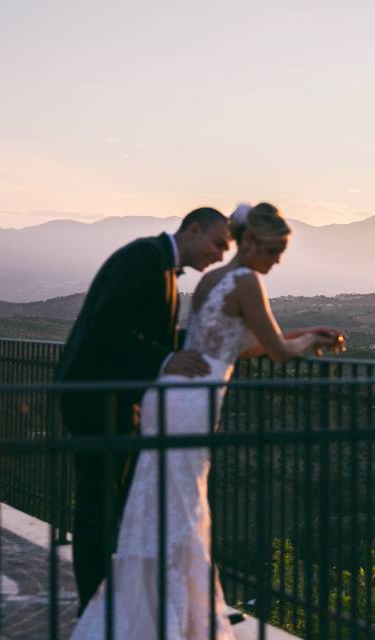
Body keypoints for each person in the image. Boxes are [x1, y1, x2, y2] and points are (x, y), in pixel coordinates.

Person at [70, 202, 346, 640]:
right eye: (274, 250)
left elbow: (227, 347)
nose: (277, 261)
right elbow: (273, 350)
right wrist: (310, 338)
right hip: (159, 400)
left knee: (155, 504)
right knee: (160, 507)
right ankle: (159, 617)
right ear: (248, 242)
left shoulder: (209, 281)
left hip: (166, 400)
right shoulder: (230, 277)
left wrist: (300, 334)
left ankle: (149, 609)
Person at [56, 207, 232, 614]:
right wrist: (164, 358)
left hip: (112, 397)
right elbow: (106, 326)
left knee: (113, 499)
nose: (221, 255)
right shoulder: (144, 259)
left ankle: (107, 600)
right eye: (218, 243)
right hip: (95, 396)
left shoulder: (161, 265)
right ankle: (94, 608)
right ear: (192, 229)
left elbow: (149, 333)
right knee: (98, 501)